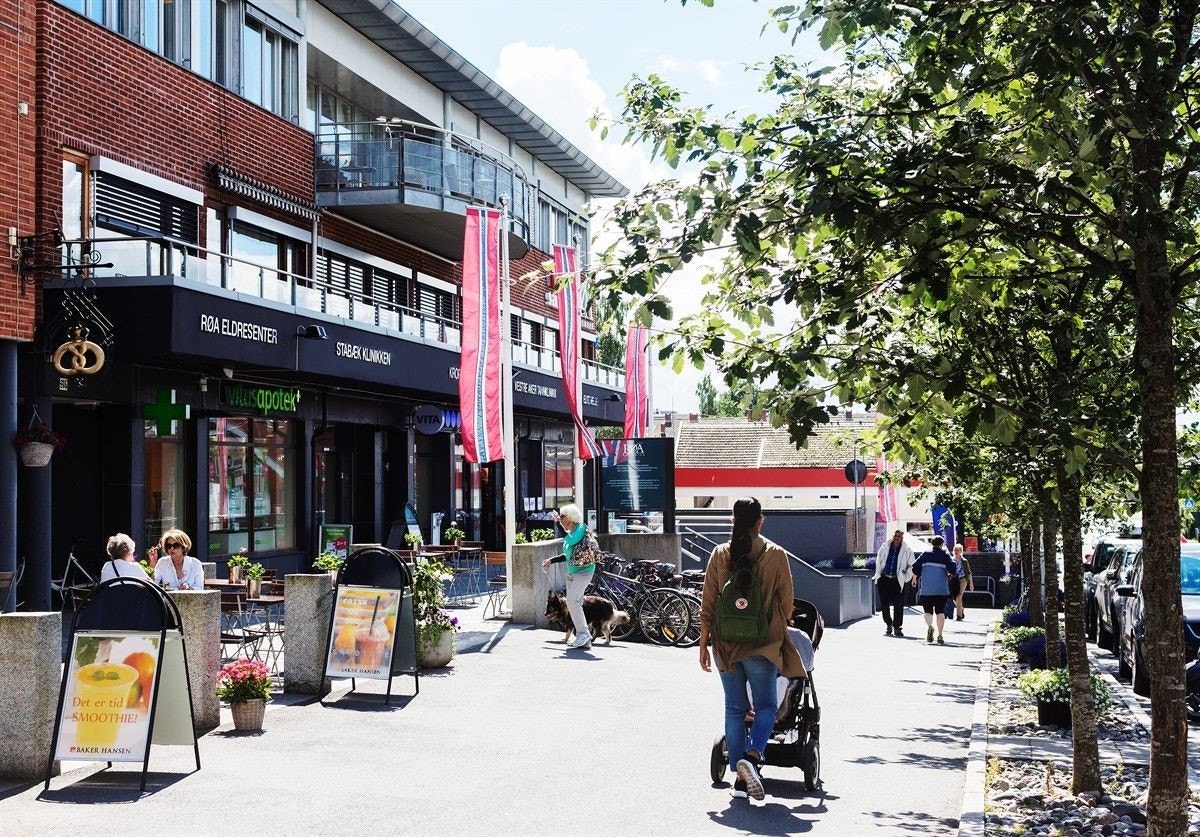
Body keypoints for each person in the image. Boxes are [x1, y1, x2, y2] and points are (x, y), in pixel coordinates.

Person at [699, 497, 803, 802]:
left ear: (732, 520)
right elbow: (786, 603)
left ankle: (738, 773)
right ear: (761, 520)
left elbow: (708, 601)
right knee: (766, 705)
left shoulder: (720, 553)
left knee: (734, 707)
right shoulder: (775, 554)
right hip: (763, 645)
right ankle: (755, 756)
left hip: (725, 645)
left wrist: (704, 643)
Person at [540, 504, 594, 649]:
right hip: (572, 572)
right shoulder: (572, 532)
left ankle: (583, 633)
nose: (560, 519)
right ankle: (585, 640)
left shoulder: (581, 528)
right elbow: (568, 555)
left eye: (562, 516)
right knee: (576, 603)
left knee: (572, 602)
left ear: (570, 518)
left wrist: (558, 524)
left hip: (583, 572)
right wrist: (551, 560)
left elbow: (570, 541)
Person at [910, 535, 957, 644]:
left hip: (927, 589)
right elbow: (953, 569)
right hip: (942, 589)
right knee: (940, 611)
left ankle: (930, 626)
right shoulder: (945, 555)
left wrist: (915, 576)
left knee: (927, 612)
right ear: (942, 544)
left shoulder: (925, 554)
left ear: (932, 543)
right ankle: (940, 635)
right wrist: (949, 573)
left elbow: (915, 567)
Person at [873, 529, 914, 637]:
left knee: (898, 605)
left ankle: (897, 627)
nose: (896, 538)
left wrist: (906, 578)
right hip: (884, 579)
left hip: (897, 580)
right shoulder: (885, 547)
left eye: (899, 536)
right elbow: (879, 560)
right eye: (895, 535)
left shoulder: (907, 550)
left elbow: (911, 565)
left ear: (902, 538)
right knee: (884, 604)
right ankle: (888, 623)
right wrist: (878, 574)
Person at [951, 543, 974, 621]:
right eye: (955, 550)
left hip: (963, 579)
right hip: (954, 580)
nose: (957, 551)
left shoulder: (964, 561)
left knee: (959, 595)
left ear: (961, 551)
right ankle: (961, 609)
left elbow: (969, 572)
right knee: (953, 597)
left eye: (958, 550)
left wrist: (971, 584)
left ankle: (959, 616)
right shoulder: (951, 559)